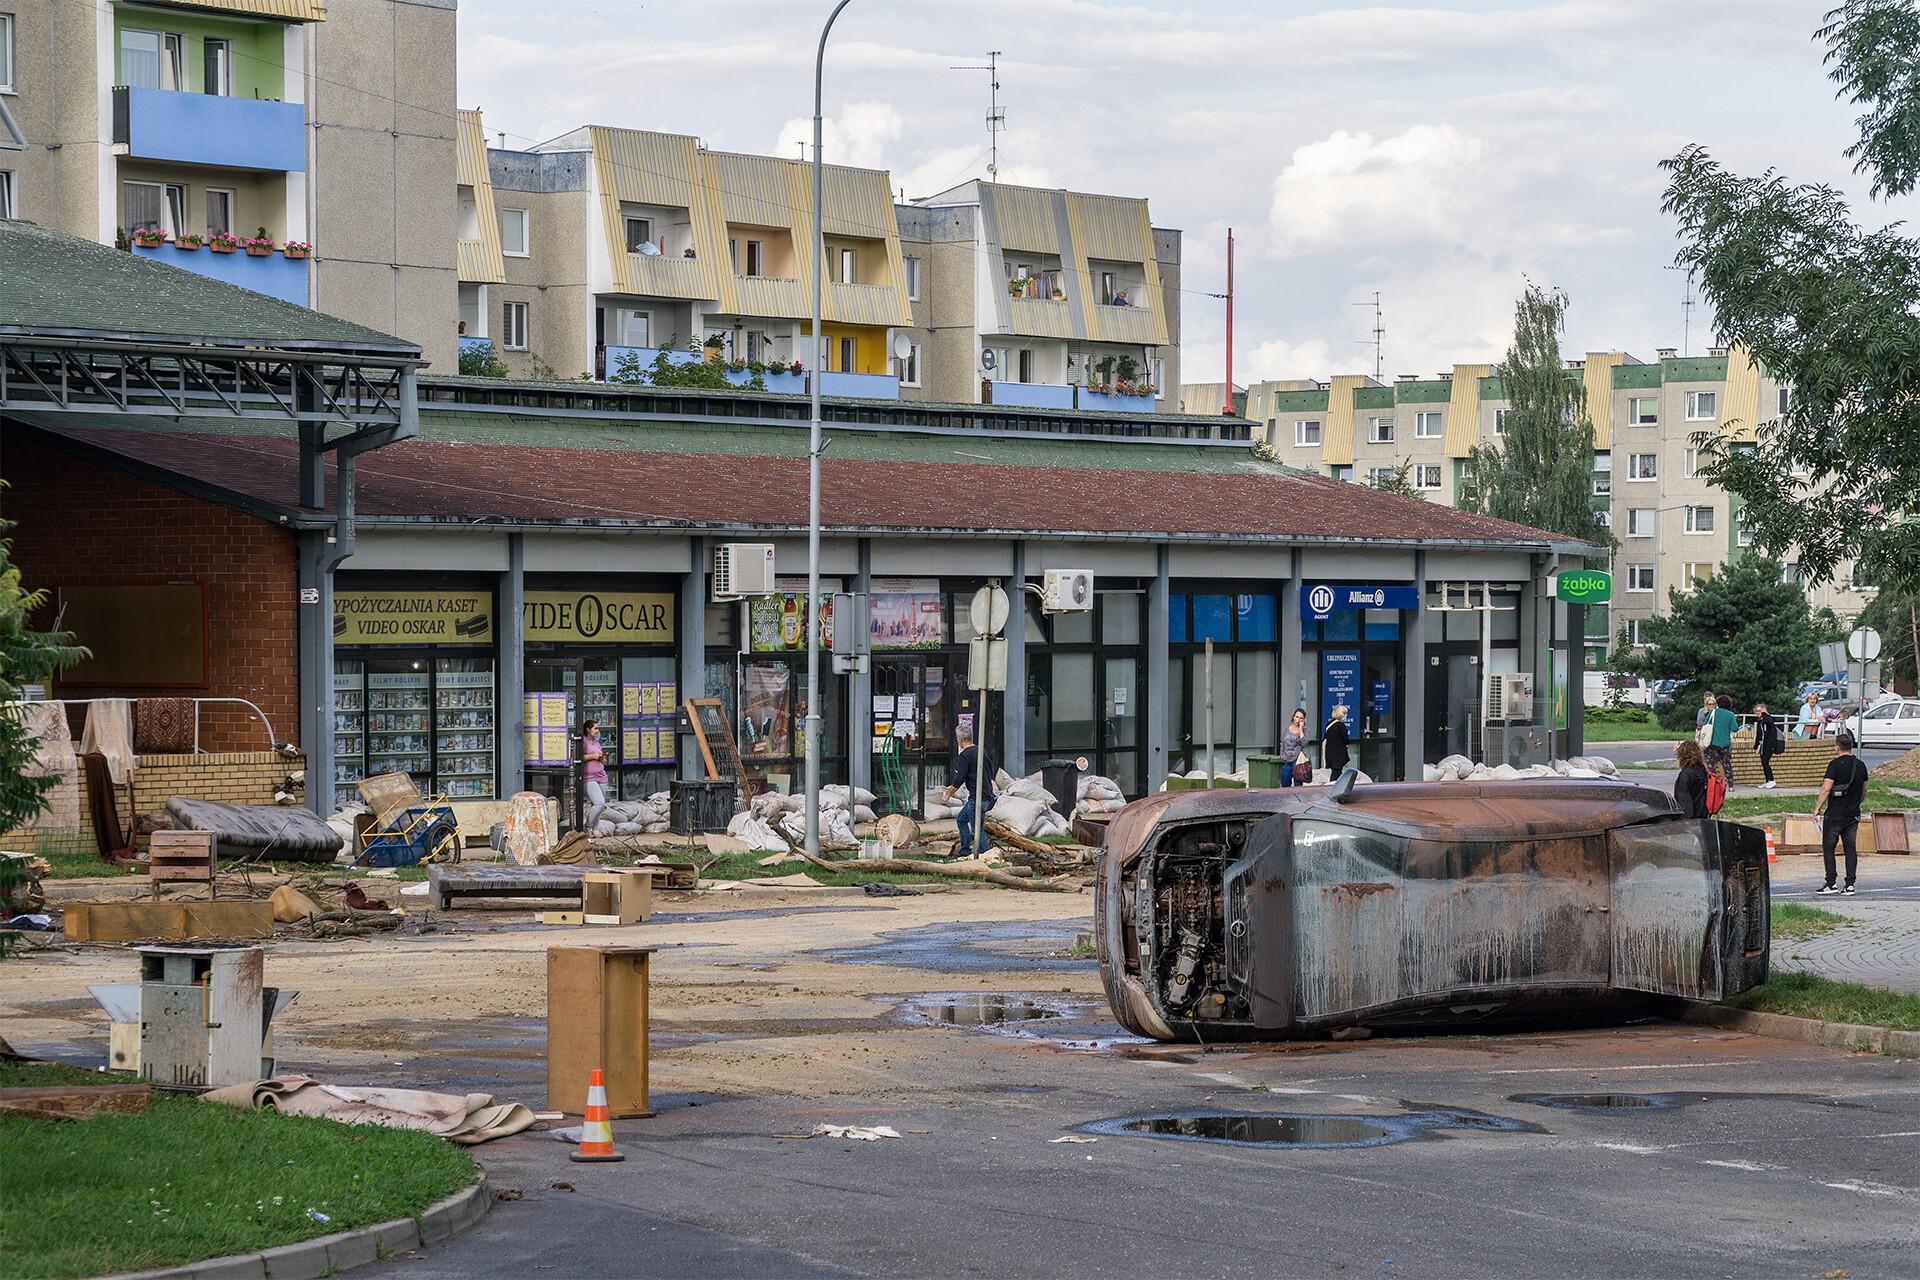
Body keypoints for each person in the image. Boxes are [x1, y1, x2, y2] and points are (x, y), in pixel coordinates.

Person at [1814, 730, 1870, 896]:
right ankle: (1850, 885)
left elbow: (1826, 789)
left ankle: (1831, 883)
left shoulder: (1834, 765)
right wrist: (1856, 803)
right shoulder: (1860, 765)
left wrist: (1817, 808)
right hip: (1853, 814)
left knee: (1829, 847)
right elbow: (1864, 788)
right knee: (1850, 848)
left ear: (1837, 748)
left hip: (1835, 813)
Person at [940, 722, 997, 858]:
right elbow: (990, 770)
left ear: (960, 739)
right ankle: (965, 850)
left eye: (956, 738)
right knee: (961, 819)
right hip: (986, 796)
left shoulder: (965, 755)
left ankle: (986, 856)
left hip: (977, 798)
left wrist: (947, 794)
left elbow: (959, 779)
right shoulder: (981, 750)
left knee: (977, 829)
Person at [580, 719, 609, 829]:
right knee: (599, 803)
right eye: (595, 728)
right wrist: (593, 756)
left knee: (599, 807)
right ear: (588, 729)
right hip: (589, 777)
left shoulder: (597, 743)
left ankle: (595, 829)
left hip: (601, 776)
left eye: (598, 728)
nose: (597, 731)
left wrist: (602, 758)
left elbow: (602, 761)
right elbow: (579, 757)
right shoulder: (583, 741)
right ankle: (588, 826)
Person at [1704, 694, 1737, 787]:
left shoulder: (1713, 712)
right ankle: (1730, 785)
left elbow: (1705, 723)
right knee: (1727, 764)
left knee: (1711, 764)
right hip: (1725, 744)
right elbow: (1735, 728)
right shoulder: (1730, 715)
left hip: (1713, 743)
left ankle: (1713, 784)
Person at [1673, 740, 1710, 818]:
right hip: (1702, 815)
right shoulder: (1702, 769)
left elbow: (1685, 803)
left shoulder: (1686, 775)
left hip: (1692, 820)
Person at [1278, 708, 1310, 787]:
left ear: (1303, 719)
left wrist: (1300, 729)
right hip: (1287, 760)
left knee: (1298, 785)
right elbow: (1283, 743)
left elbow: (1305, 743)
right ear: (1293, 717)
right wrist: (1282, 756)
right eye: (1297, 717)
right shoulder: (1287, 729)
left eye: (1301, 718)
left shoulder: (1305, 730)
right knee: (1285, 783)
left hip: (1298, 761)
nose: (1298, 720)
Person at [1753, 702, 1781, 789]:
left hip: (1770, 744)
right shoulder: (1760, 721)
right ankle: (1768, 780)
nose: (1758, 712)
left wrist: (1765, 713)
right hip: (1763, 745)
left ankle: (1772, 780)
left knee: (1765, 761)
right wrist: (1756, 745)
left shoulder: (1768, 719)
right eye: (1756, 711)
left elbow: (1769, 723)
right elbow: (1759, 734)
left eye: (1760, 711)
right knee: (1763, 762)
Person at [1322, 704, 1352, 776]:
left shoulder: (1329, 724)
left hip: (1329, 753)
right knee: (1336, 774)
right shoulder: (1341, 726)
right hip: (1339, 754)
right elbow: (1346, 740)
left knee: (1336, 772)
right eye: (1345, 713)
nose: (1346, 716)